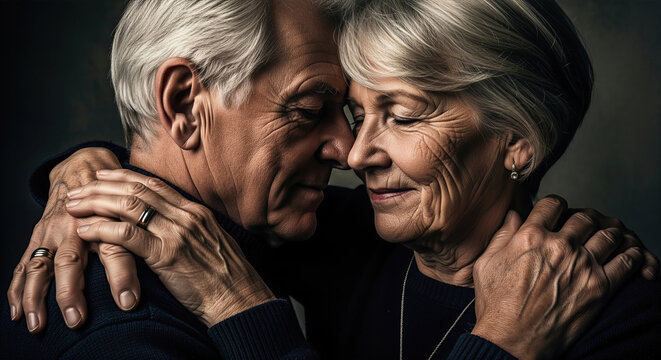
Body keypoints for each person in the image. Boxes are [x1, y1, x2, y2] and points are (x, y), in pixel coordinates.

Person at [4, 0, 660, 359]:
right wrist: (84, 181)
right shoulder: (337, 239)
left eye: (399, 116)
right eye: (349, 112)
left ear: (517, 139)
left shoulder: (617, 314)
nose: (354, 150)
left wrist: (242, 310)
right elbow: (186, 185)